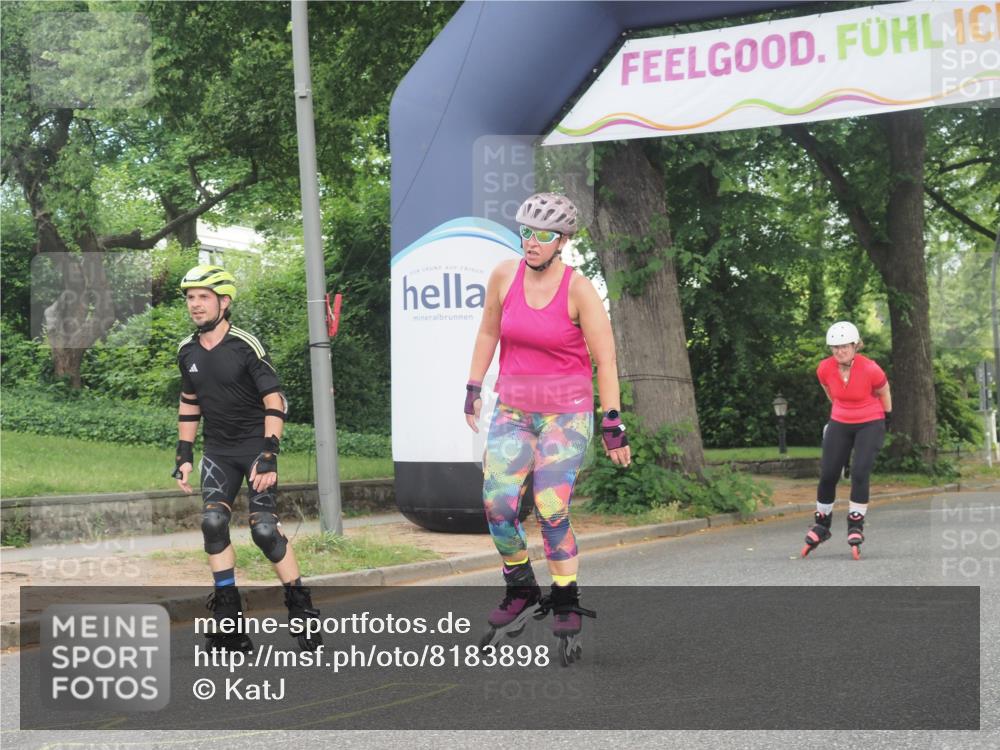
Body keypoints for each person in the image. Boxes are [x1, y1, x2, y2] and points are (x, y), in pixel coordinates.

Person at [464, 192, 631, 665]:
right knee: (497, 504)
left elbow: (606, 358)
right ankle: (520, 587)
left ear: (562, 241)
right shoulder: (504, 275)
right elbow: (488, 332)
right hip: (514, 409)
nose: (531, 242)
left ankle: (564, 596)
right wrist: (474, 386)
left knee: (550, 506)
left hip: (566, 412)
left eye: (542, 235)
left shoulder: (579, 289)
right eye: (525, 232)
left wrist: (612, 420)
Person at [173, 264, 321, 652]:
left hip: (256, 449)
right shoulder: (186, 350)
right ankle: (229, 626)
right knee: (213, 522)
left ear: (224, 302)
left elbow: (275, 400)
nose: (195, 304)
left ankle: (302, 611)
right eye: (190, 297)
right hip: (219, 452)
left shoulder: (245, 346)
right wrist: (184, 453)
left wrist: (270, 454)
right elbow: (190, 404)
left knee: (264, 531)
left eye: (203, 297)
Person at [802, 321, 892, 560]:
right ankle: (821, 525)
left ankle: (855, 526)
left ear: (855, 345)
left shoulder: (871, 368)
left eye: (844, 346)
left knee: (860, 472)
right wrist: (839, 412)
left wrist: (887, 418)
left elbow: (884, 391)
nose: (839, 351)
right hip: (840, 421)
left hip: (870, 420)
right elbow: (828, 390)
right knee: (828, 474)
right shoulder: (824, 368)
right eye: (834, 347)